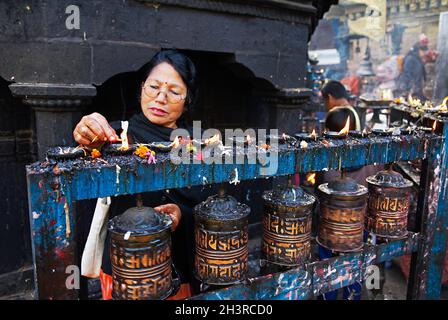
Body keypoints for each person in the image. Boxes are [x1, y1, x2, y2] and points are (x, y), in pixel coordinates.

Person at [73, 49, 213, 299]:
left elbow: (210, 205)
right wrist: (87, 135)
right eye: (154, 87)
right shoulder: (114, 138)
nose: (161, 98)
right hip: (123, 270)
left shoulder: (198, 145)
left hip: (174, 268)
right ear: (141, 88)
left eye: (174, 91)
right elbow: (84, 155)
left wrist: (183, 213)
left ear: (187, 99)